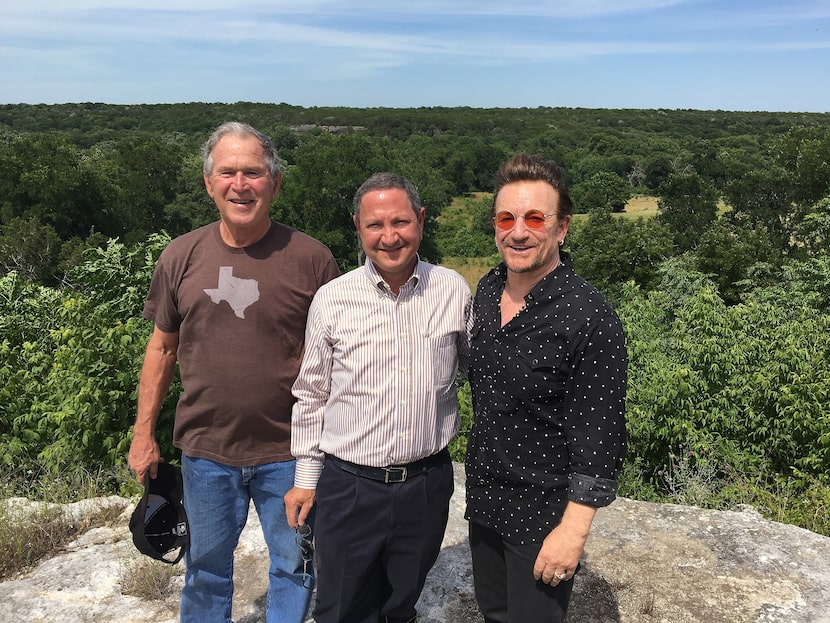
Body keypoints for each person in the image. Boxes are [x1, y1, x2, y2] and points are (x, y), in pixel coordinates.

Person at [127, 121, 340, 623]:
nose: (240, 184)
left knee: (294, 565)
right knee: (205, 568)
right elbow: (161, 349)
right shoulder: (181, 256)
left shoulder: (312, 260)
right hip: (205, 451)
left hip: (290, 452)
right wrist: (143, 435)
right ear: (209, 182)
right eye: (228, 172)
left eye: (253, 172)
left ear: (275, 183)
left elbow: (338, 358)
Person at [285, 172, 473, 623]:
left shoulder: (453, 290)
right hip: (350, 487)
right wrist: (306, 478)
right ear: (358, 227)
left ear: (421, 221)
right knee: (341, 607)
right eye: (375, 225)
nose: (389, 237)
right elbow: (311, 393)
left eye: (401, 222)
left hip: (427, 484)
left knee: (402, 603)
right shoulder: (333, 299)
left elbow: (477, 370)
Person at [464, 153, 628, 623]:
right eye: (507, 218)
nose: (519, 231)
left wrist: (572, 534)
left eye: (536, 218)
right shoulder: (488, 290)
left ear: (562, 228)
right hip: (486, 501)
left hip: (543, 516)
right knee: (493, 614)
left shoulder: (590, 318)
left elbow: (600, 439)